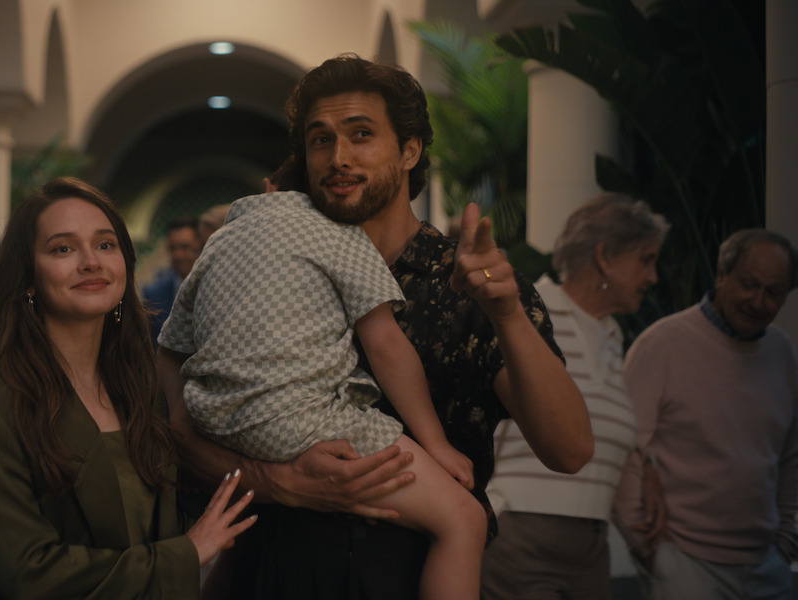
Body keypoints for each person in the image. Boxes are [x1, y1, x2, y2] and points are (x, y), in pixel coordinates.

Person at [157, 54, 593, 599]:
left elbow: (569, 450)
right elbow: (179, 428)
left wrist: (505, 313)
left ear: (410, 150)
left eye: (361, 134)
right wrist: (277, 482)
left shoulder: (461, 281)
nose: (338, 157)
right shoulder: (261, 266)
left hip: (402, 578)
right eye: (320, 140)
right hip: (270, 572)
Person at [158, 184, 486, 598]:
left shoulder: (220, 242)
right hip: (305, 420)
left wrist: (183, 418)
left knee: (243, 550)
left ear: (268, 189)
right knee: (464, 522)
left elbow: (169, 352)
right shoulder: (335, 228)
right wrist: (436, 443)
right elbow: (384, 343)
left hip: (218, 422)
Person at [0, 177, 256, 600]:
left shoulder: (141, 387)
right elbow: (27, 575)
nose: (91, 261)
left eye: (105, 245)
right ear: (29, 277)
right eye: (63, 248)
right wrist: (185, 554)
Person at [482, 193, 670, 599]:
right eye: (646, 259)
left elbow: (602, 431)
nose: (654, 276)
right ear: (604, 257)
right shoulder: (529, 311)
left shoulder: (613, 336)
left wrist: (645, 463)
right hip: (520, 537)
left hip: (591, 545)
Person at [613, 229, 798, 600]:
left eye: (773, 292)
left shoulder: (783, 353)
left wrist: (784, 545)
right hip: (685, 565)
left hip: (767, 565)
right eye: (749, 284)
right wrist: (651, 553)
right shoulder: (662, 343)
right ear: (721, 275)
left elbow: (789, 457)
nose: (759, 302)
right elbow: (624, 449)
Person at [142, 216, 201, 342]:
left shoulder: (215, 288)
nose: (177, 255)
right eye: (172, 248)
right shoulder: (154, 295)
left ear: (201, 247)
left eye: (185, 247)